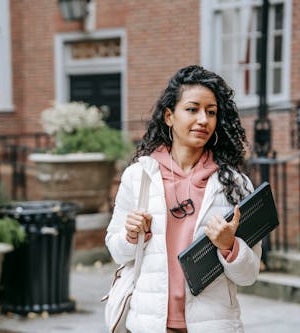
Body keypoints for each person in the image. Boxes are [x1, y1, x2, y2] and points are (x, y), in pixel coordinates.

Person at [105, 65, 262, 333]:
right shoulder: (139, 176)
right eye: (192, 109)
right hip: (147, 324)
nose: (203, 119)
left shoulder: (235, 185)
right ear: (169, 116)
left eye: (211, 112)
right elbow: (116, 250)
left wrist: (229, 246)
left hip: (212, 326)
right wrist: (131, 236)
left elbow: (248, 275)